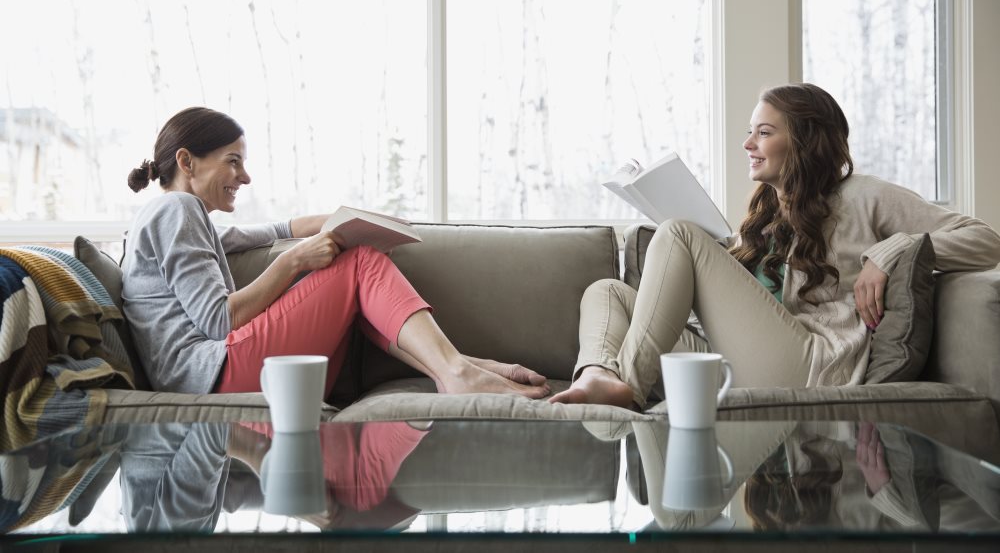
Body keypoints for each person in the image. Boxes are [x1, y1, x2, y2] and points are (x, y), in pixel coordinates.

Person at [551, 83, 1000, 409]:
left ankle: (624, 387)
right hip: (746, 358)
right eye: (751, 132)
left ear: (804, 142)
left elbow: (985, 240)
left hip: (810, 368)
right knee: (606, 291)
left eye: (764, 133)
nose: (748, 144)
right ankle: (599, 375)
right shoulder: (768, 210)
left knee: (678, 232)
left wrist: (889, 252)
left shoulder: (864, 195)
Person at [122, 106, 549, 399]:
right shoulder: (176, 210)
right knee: (360, 263)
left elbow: (275, 229)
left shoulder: (181, 216)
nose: (244, 176)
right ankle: (456, 372)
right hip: (211, 375)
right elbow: (219, 320)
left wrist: (360, 219)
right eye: (233, 161)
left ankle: (460, 366)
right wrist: (295, 260)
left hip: (212, 374)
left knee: (358, 272)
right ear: (187, 161)